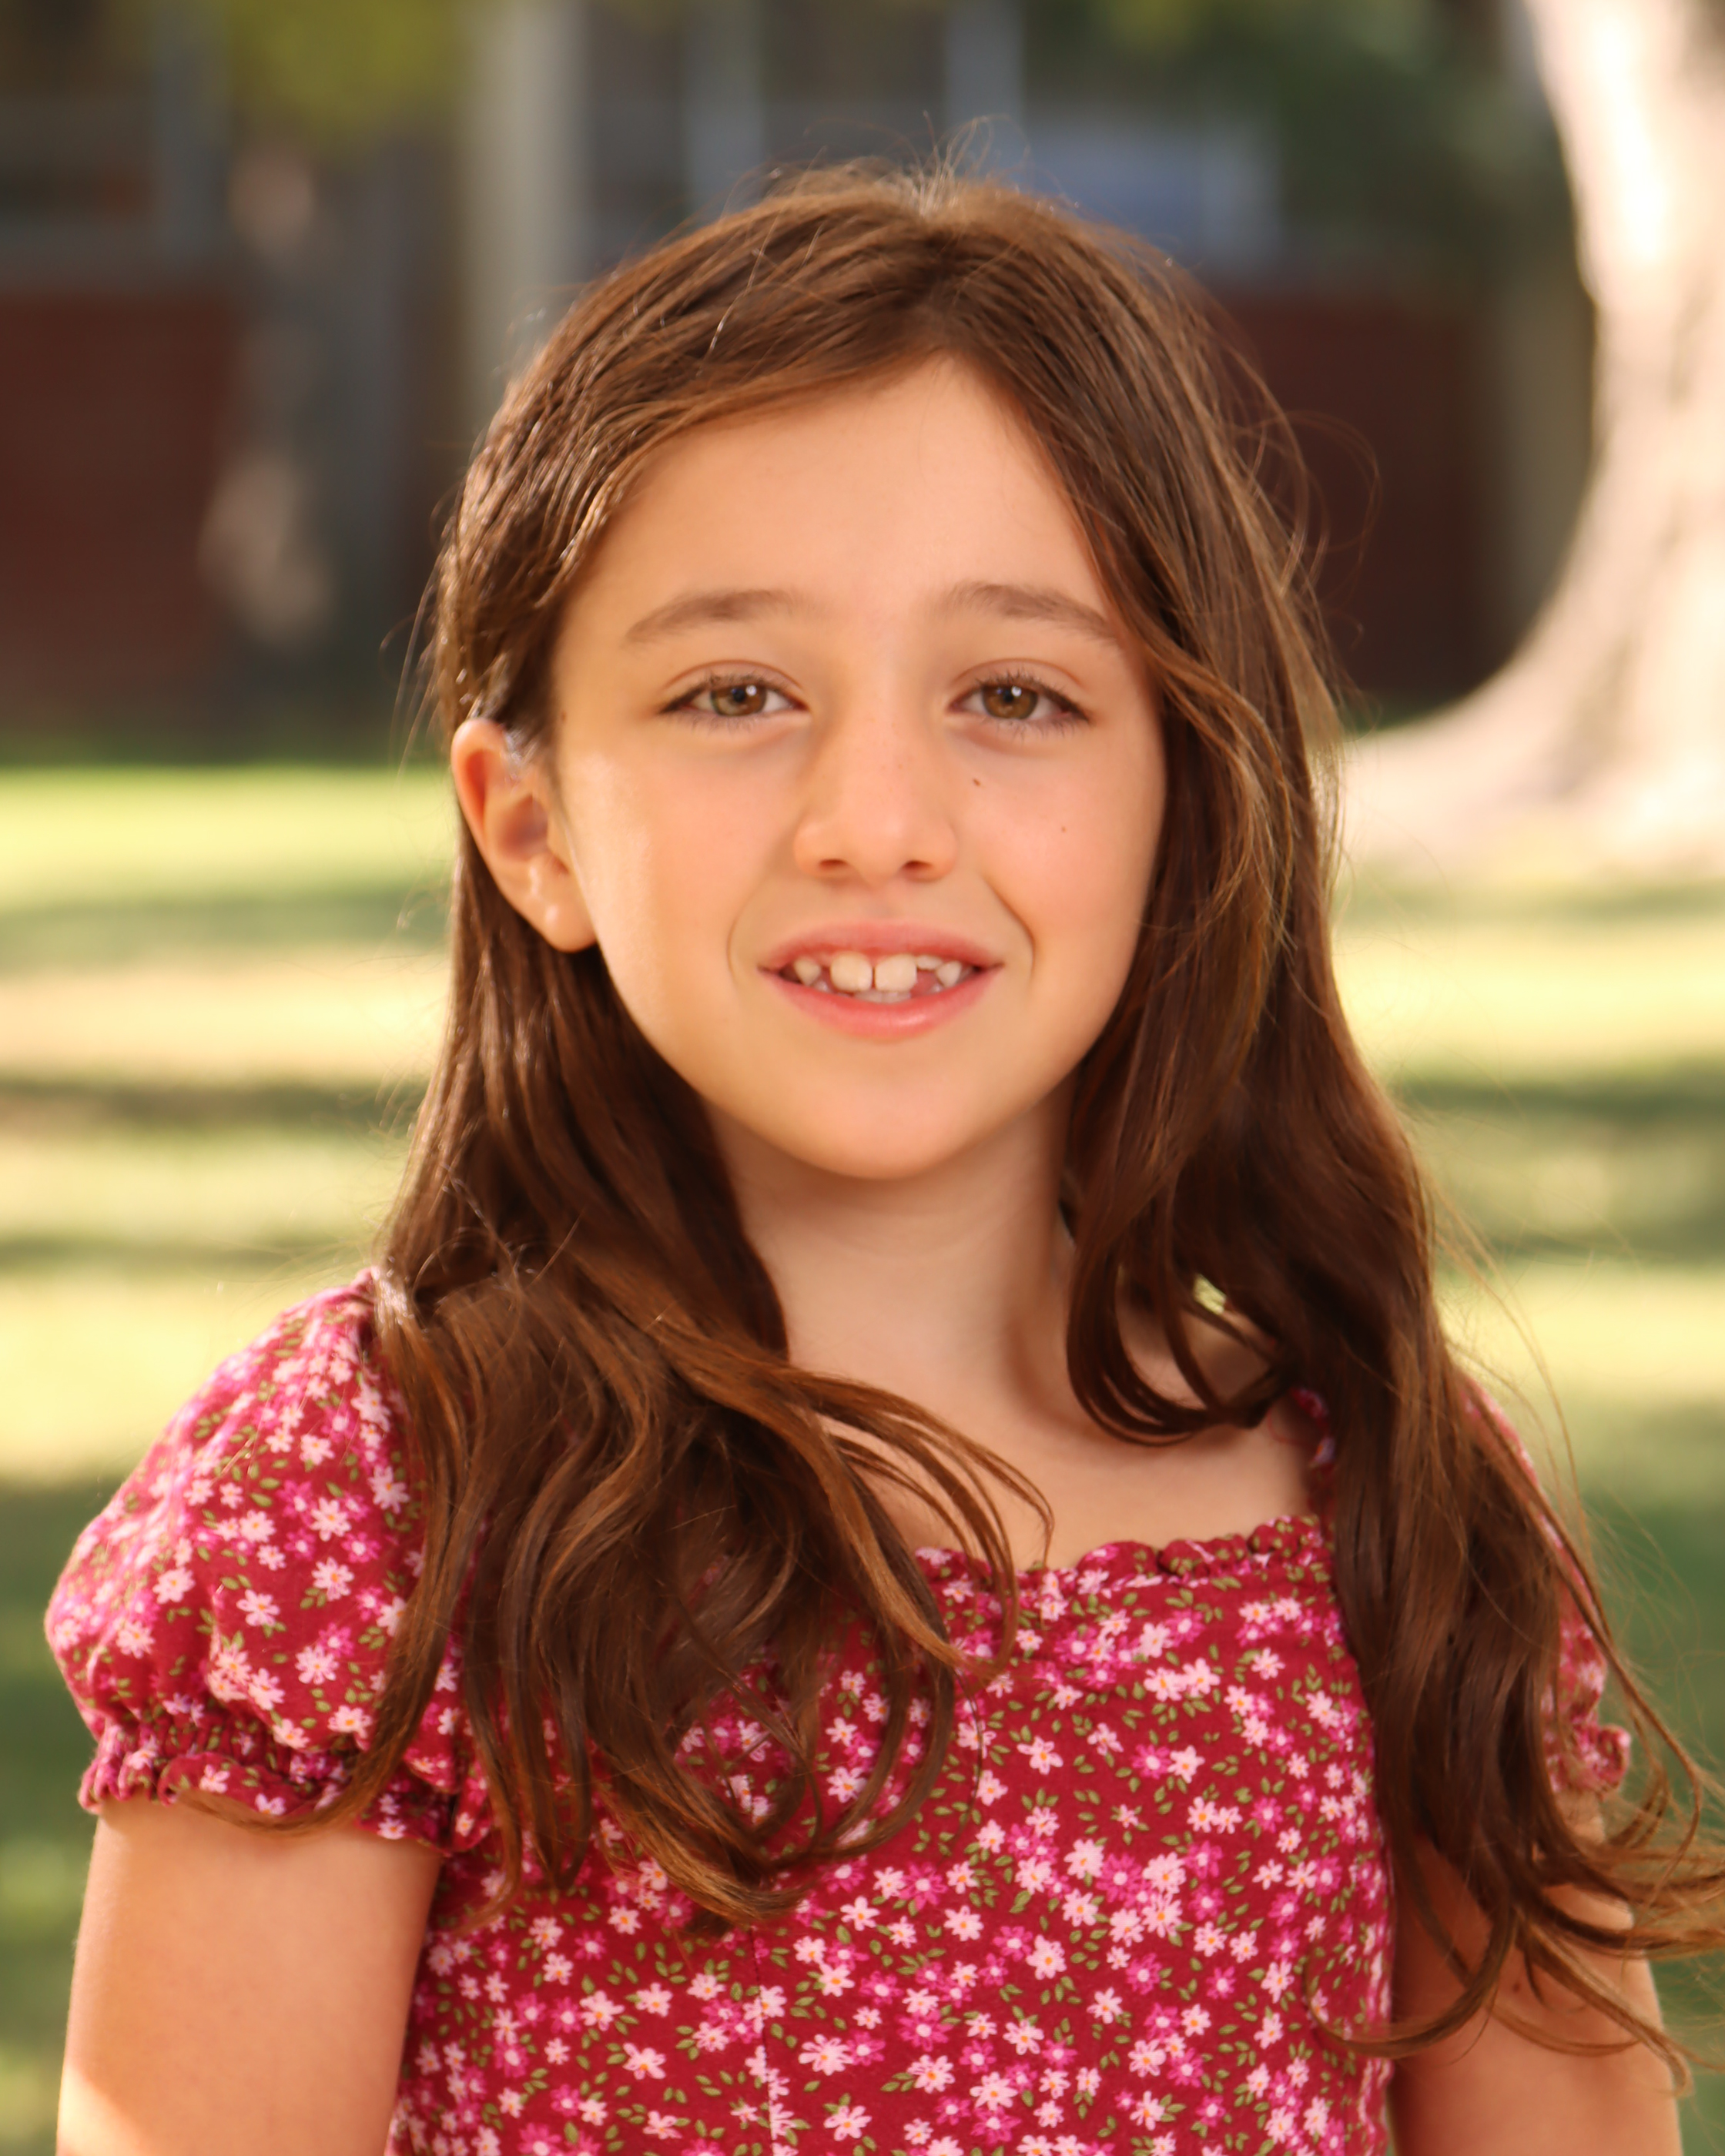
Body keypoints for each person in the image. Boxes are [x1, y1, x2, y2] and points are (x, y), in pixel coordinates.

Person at [46, 166, 1721, 2156]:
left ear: (1184, 799)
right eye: (735, 694)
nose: (878, 818)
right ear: (532, 830)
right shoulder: (374, 1501)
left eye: (1015, 696)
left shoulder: (1390, 1496)